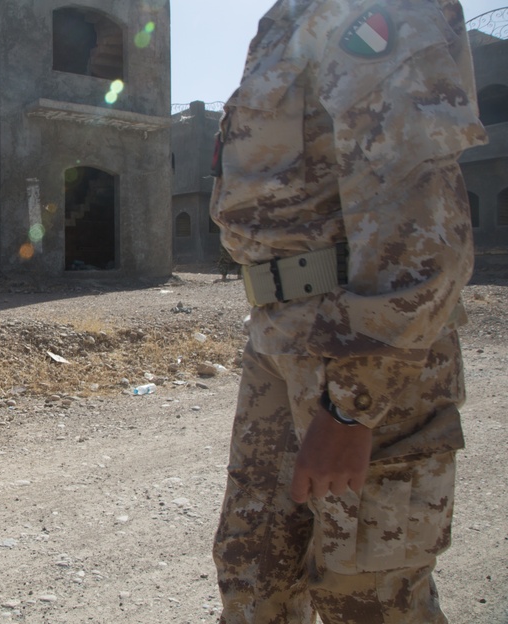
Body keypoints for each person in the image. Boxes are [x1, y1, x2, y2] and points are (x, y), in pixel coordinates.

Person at [209, 1, 487, 621]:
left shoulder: (378, 9)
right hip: (279, 340)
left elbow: (422, 230)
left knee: (368, 599)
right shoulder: (283, 20)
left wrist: (353, 406)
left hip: (360, 345)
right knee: (254, 579)